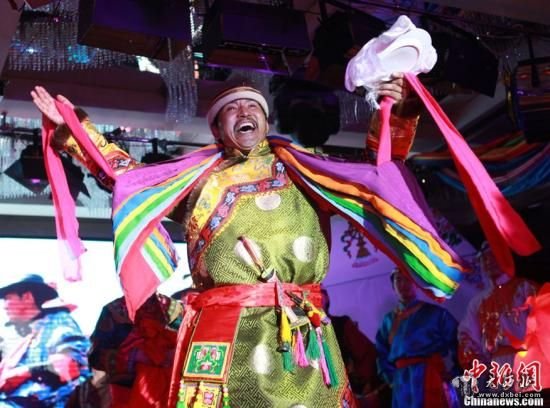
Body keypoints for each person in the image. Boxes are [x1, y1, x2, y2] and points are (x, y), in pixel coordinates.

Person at [30, 65, 531, 405]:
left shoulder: (305, 173)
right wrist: (74, 130)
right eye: (232, 109)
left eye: (253, 107)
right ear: (217, 129)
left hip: (301, 333)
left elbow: (376, 173)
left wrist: (397, 113)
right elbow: (126, 175)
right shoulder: (196, 182)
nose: (244, 113)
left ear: (267, 121)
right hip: (224, 331)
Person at [67, 293, 182, 407]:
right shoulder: (171, 307)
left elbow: (96, 358)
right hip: (153, 390)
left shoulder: (113, 310)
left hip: (143, 390)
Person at [457, 242, 539, 390]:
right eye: (485, 258)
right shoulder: (478, 302)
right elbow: (467, 336)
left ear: (504, 257)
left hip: (529, 360)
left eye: (493, 256)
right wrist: (480, 365)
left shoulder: (526, 288)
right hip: (498, 367)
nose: (489, 262)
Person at [0, 274, 90, 407]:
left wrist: (24, 372)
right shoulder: (30, 332)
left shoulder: (58, 322)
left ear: (27, 297)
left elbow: (70, 367)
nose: (4, 306)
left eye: (7, 298)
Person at [375, 268, 460, 408]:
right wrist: (391, 379)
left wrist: (454, 372)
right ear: (393, 286)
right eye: (398, 279)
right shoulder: (388, 320)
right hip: (402, 384)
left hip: (431, 376)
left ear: (417, 283)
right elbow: (381, 353)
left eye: (408, 278)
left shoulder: (436, 313)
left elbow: (459, 341)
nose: (403, 284)